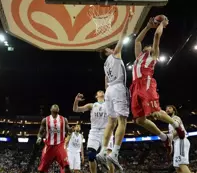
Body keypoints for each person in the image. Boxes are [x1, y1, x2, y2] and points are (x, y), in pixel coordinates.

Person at [130, 15, 185, 153]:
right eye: (146, 46)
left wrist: (163, 23)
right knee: (139, 120)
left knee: (155, 113)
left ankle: (176, 124)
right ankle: (164, 137)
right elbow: (137, 41)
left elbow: (156, 37)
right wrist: (148, 27)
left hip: (147, 83)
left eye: (149, 46)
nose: (146, 46)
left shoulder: (153, 56)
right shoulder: (138, 57)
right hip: (135, 86)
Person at [96, 13, 133, 172]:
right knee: (122, 121)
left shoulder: (105, 65)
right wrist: (128, 19)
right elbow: (122, 35)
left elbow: (105, 83)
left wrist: (106, 97)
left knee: (111, 123)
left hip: (109, 90)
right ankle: (115, 152)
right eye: (109, 48)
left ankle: (103, 150)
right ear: (107, 51)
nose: (113, 48)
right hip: (117, 88)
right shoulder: (115, 54)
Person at [72, 91, 115, 173]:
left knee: (109, 157)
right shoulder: (91, 105)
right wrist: (76, 100)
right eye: (99, 92)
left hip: (107, 131)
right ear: (96, 96)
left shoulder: (109, 104)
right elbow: (75, 109)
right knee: (91, 156)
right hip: (94, 132)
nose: (101, 92)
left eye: (102, 91)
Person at [37, 104, 72, 173]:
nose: (55, 106)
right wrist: (39, 138)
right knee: (41, 169)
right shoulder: (45, 120)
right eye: (53, 106)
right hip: (49, 146)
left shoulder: (64, 119)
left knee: (67, 166)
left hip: (60, 145)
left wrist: (70, 132)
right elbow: (40, 132)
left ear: (58, 110)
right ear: (50, 109)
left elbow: (69, 130)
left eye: (57, 106)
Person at [166, 105, 191, 173]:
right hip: (176, 142)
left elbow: (177, 130)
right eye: (166, 109)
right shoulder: (169, 123)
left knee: (182, 164)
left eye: (169, 108)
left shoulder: (176, 118)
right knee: (177, 167)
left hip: (181, 140)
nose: (167, 109)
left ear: (174, 110)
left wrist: (169, 137)